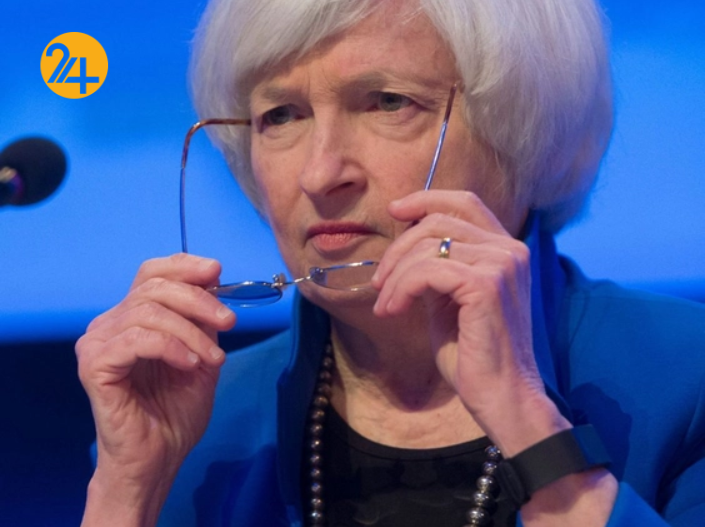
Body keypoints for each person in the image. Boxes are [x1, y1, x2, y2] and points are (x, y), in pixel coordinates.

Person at [76, 0, 705, 526]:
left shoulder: (684, 379)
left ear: (526, 131)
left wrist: (531, 428)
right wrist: (127, 491)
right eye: (281, 115)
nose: (321, 173)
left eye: (387, 102)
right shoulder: (201, 427)